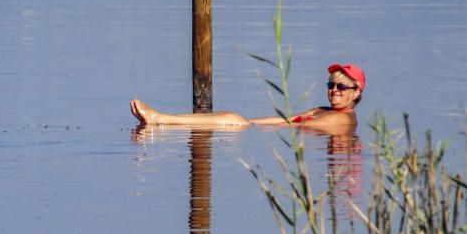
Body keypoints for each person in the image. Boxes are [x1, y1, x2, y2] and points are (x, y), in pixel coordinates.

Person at [129, 63, 365, 135]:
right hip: (269, 130)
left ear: (356, 92)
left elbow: (299, 128)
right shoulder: (325, 109)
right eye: (331, 85)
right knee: (230, 116)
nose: (334, 90)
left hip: (276, 136)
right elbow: (285, 119)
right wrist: (251, 122)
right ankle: (160, 120)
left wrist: (249, 127)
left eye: (341, 86)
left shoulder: (343, 121)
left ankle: (159, 120)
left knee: (233, 121)